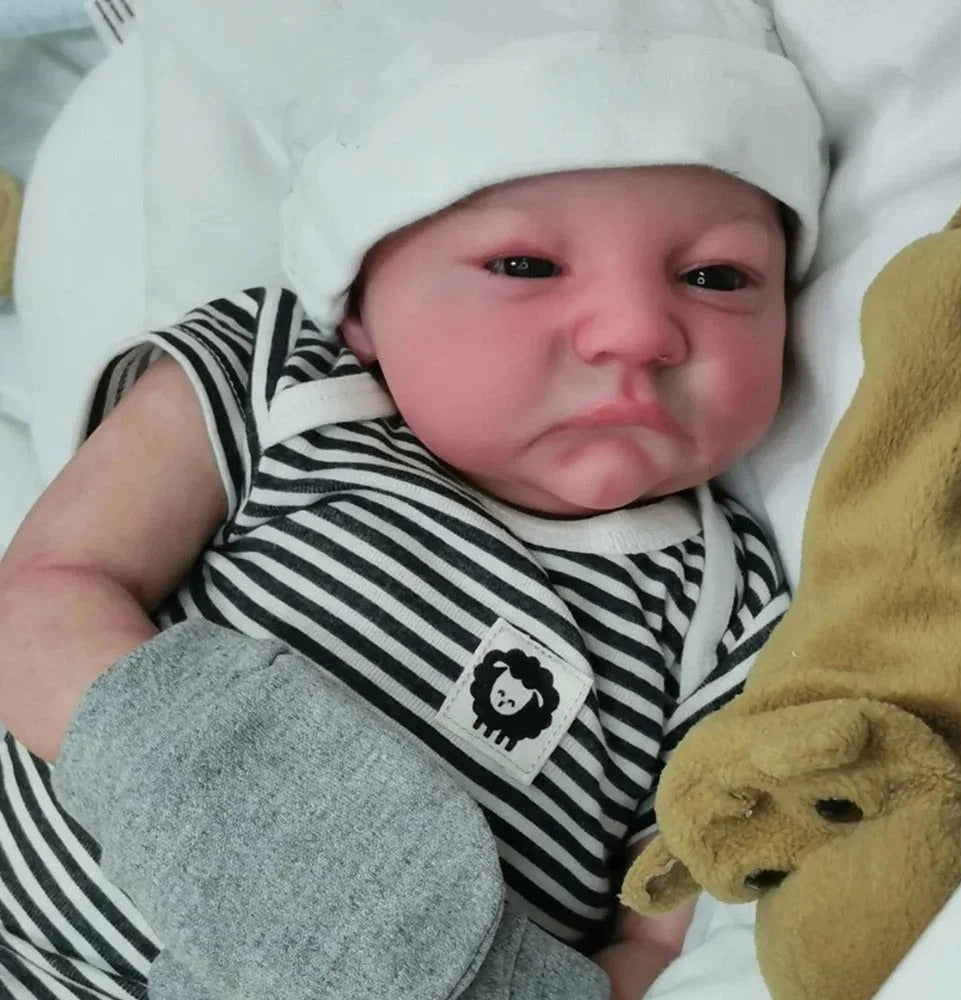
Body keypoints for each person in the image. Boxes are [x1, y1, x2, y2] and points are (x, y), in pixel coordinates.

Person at [0, 17, 827, 1000]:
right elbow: (40, 599)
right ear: (358, 302)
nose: (638, 331)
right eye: (525, 265)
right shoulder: (280, 381)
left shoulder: (729, 608)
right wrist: (239, 835)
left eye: (715, 277)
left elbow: (660, 940)